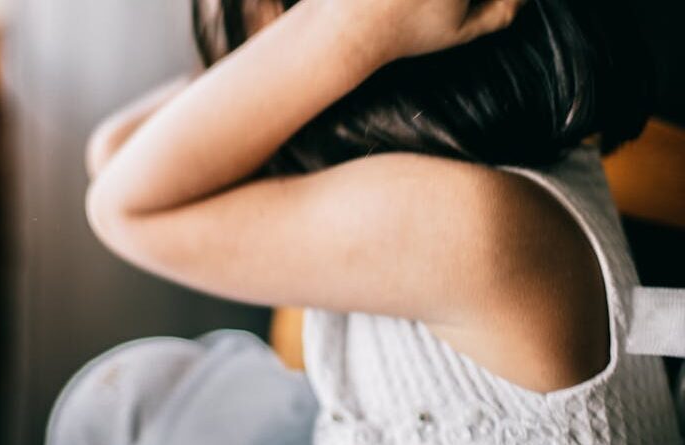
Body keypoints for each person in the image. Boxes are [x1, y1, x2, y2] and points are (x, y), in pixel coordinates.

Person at [47, 0, 685, 443]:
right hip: (370, 413)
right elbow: (116, 158)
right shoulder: (473, 163)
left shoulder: (461, 223)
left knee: (109, 408)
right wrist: (338, 33)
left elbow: (125, 205)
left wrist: (347, 31)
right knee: (128, 394)